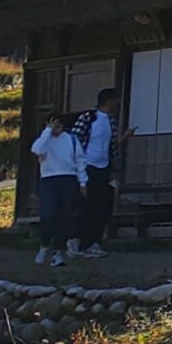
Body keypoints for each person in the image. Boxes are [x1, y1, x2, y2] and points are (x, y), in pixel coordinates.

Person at [28, 108, 85, 268]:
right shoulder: (44, 141)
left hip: (68, 179)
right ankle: (44, 245)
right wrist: (47, 132)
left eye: (58, 125)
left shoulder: (72, 140)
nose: (56, 129)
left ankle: (58, 252)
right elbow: (36, 150)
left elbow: (80, 161)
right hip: (48, 180)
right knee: (48, 215)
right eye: (53, 125)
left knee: (64, 216)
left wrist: (83, 183)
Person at [72, 86, 119, 258]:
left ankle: (94, 242)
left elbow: (112, 145)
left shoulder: (111, 121)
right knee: (87, 206)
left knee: (102, 206)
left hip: (103, 166)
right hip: (88, 166)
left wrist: (115, 168)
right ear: (108, 101)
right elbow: (75, 139)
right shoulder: (88, 117)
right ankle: (81, 241)